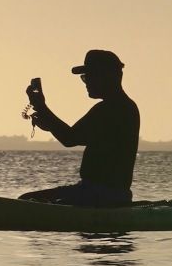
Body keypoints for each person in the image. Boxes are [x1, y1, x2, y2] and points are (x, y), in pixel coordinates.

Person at [20, 49, 140, 207]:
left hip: (99, 195)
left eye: (89, 77)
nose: (86, 83)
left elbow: (70, 138)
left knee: (27, 201)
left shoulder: (110, 108)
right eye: (85, 78)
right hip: (104, 193)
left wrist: (42, 107)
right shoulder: (124, 107)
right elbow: (75, 136)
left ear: (107, 76)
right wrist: (48, 121)